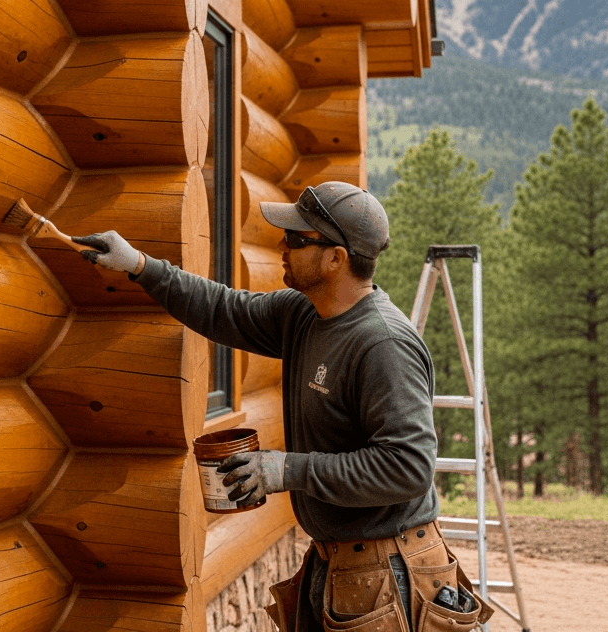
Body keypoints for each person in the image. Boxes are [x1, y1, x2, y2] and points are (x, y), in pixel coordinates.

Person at [73, 181, 493, 632]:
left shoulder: (382, 344)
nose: (281, 245)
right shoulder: (304, 314)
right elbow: (224, 309)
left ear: (337, 258)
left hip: (390, 574)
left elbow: (408, 467)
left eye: (297, 239)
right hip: (345, 568)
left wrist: (285, 469)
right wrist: (139, 265)